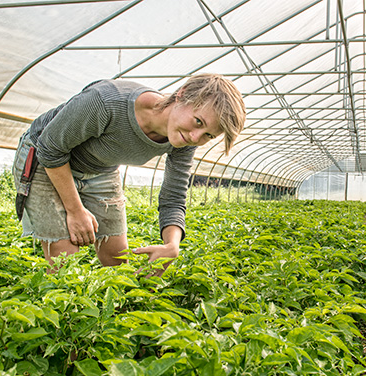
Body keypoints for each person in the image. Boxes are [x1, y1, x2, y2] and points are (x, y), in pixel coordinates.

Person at [13, 74, 246, 274]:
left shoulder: (185, 142)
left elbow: (174, 196)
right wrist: (75, 211)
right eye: (198, 121)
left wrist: (171, 245)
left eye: (208, 135)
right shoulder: (106, 101)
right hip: (45, 158)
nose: (196, 137)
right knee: (65, 259)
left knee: (117, 259)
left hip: (100, 167)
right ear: (182, 94)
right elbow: (51, 148)